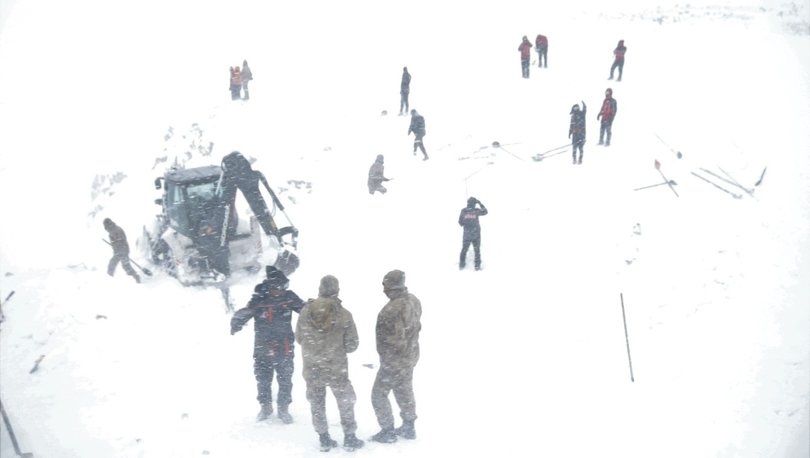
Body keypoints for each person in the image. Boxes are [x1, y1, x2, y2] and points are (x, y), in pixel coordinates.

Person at [296, 275, 365, 452]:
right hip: (336, 368)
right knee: (345, 401)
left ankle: (324, 438)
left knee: (317, 403)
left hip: (312, 368)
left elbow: (299, 338)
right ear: (337, 291)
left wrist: (315, 347)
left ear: (319, 289)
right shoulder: (344, 314)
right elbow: (352, 345)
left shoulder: (305, 312)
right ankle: (350, 437)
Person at [230, 266, 304, 424]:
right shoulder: (260, 300)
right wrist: (236, 322)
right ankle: (265, 406)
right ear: (272, 288)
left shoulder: (289, 298)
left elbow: (304, 310)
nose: (284, 290)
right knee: (263, 379)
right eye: (281, 287)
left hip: (284, 346)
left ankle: (283, 408)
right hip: (263, 347)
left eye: (285, 287)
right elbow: (246, 312)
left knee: (285, 379)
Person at [370, 270, 422, 444]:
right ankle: (409, 425)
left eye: (384, 285)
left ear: (390, 286)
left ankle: (387, 430)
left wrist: (387, 360)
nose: (383, 289)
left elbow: (394, 341)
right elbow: (416, 326)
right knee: (404, 389)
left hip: (394, 361)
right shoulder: (414, 300)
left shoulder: (390, 310)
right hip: (410, 356)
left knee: (378, 395)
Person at [103, 218, 140, 283]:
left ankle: (136, 277)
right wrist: (115, 246)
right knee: (119, 265)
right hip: (120, 251)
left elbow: (121, 240)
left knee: (124, 265)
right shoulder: (112, 230)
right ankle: (135, 276)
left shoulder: (116, 230)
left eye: (105, 226)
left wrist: (118, 247)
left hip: (122, 250)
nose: (105, 228)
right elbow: (116, 242)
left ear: (108, 225)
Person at [458, 197, 488, 270]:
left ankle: (462, 264)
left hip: (467, 235)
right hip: (476, 234)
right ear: (474, 204)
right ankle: (477, 266)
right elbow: (485, 212)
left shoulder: (464, 211)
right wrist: (480, 203)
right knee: (477, 250)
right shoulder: (476, 211)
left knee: (464, 249)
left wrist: (465, 222)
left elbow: (460, 222)